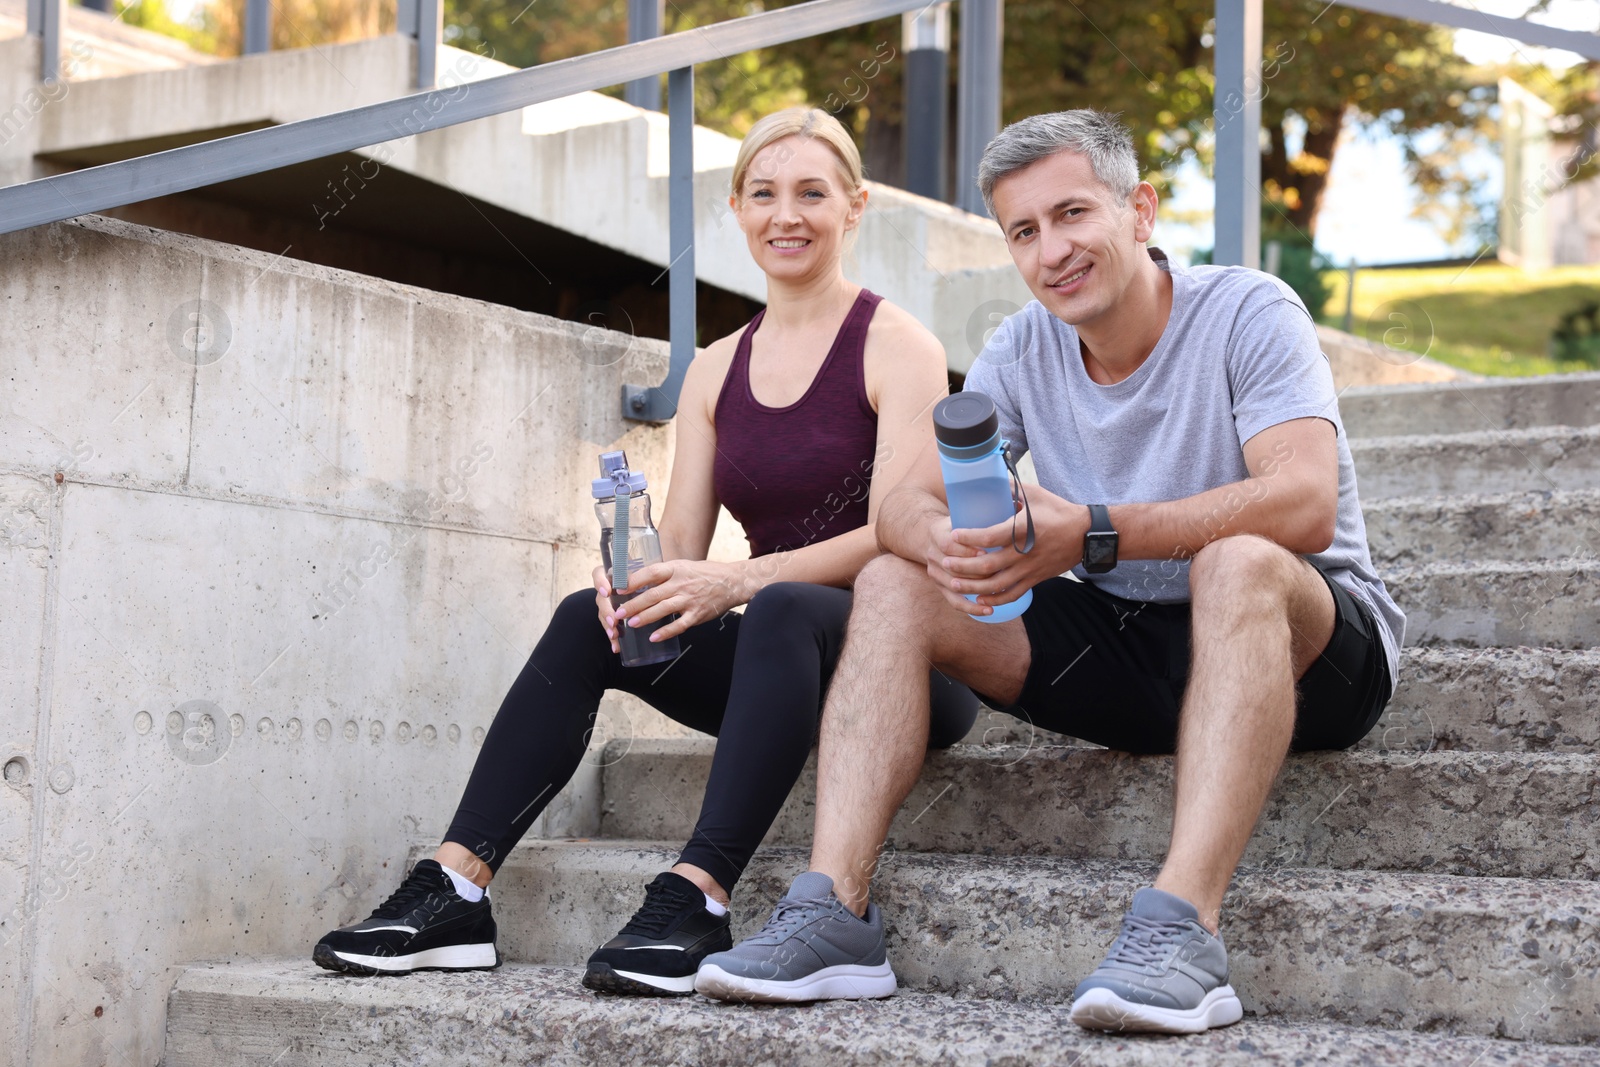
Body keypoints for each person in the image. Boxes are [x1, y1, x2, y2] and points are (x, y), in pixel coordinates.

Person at [694, 109, 1405, 1033]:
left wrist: (1097, 533)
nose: (1052, 251)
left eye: (1073, 214)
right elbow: (901, 505)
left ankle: (1183, 927)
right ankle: (835, 912)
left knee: (1237, 561)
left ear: (1140, 210)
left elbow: (1303, 501)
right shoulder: (1021, 347)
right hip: (1135, 653)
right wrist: (938, 539)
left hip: (1310, 650)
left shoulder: (1247, 309)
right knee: (895, 580)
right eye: (1024, 232)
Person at [312, 106, 977, 995]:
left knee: (779, 603)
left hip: (913, 666)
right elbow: (684, 555)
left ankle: (697, 898)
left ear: (853, 209)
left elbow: (902, 531)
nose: (788, 215)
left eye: (813, 194)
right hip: (789, 664)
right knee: (588, 619)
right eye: (766, 194)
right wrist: (632, 587)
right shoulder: (713, 368)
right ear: (737, 209)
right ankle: (456, 888)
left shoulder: (898, 344)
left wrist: (739, 578)